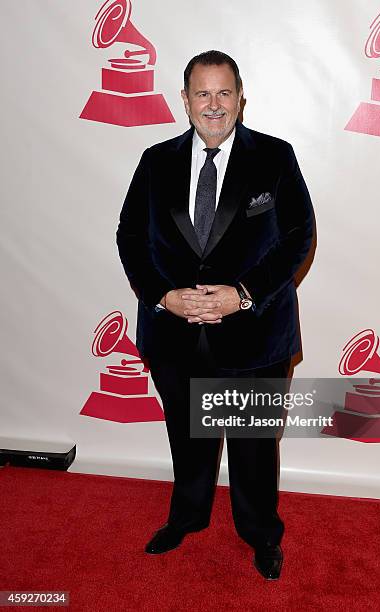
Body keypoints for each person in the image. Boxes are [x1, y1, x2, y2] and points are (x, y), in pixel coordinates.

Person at [116, 50, 315, 580]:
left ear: (240, 97)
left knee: (253, 447)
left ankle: (261, 535)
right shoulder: (155, 160)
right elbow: (130, 237)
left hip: (252, 333)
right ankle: (187, 517)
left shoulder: (275, 157)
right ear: (184, 99)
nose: (213, 105)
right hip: (174, 334)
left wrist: (243, 294)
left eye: (223, 93)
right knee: (188, 438)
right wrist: (162, 296)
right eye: (201, 93)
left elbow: (298, 237)